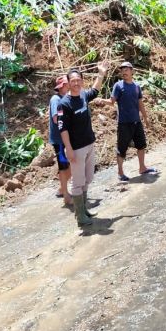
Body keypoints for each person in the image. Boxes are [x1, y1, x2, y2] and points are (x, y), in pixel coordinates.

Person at [58, 63, 108, 227]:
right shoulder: (64, 104)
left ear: (82, 81)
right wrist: (68, 149)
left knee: (87, 179)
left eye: (79, 80)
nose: (76, 83)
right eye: (73, 80)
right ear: (68, 82)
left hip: (89, 144)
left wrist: (100, 74)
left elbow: (95, 90)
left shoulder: (83, 96)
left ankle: (84, 209)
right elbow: (62, 128)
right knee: (78, 182)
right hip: (76, 148)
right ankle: (80, 216)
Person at [110, 61, 157, 182]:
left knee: (141, 145)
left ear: (132, 71)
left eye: (126, 69)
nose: (124, 72)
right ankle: (120, 173)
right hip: (124, 123)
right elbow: (112, 101)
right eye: (122, 70)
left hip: (136, 122)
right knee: (122, 148)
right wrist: (101, 100)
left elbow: (140, 103)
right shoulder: (118, 86)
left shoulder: (136, 86)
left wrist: (145, 118)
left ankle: (142, 167)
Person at [49, 75, 72, 205]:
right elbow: (55, 118)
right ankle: (65, 193)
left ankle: (62, 188)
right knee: (64, 166)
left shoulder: (65, 98)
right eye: (67, 83)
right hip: (59, 140)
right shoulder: (56, 99)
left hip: (65, 138)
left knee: (70, 164)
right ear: (62, 86)